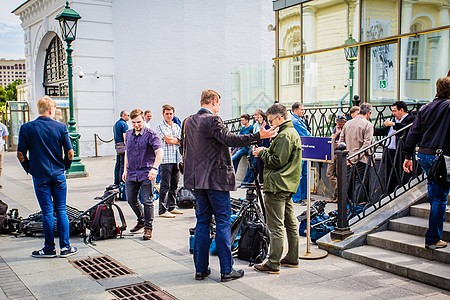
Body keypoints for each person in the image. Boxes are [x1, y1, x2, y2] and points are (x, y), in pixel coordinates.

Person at [182, 90, 278, 282]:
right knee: (223, 223)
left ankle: (200, 269)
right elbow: (230, 140)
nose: (219, 107)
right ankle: (227, 270)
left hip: (196, 180)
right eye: (219, 104)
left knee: (202, 223)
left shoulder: (188, 121)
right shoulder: (213, 120)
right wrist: (258, 135)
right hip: (216, 180)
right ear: (214, 102)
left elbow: (184, 148)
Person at [17, 96, 77, 258]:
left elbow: (21, 154)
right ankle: (65, 247)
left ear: (39, 109)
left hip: (40, 175)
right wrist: (65, 166)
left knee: (47, 212)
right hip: (58, 175)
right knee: (62, 210)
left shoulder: (27, 128)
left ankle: (49, 248)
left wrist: (29, 168)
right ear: (51, 110)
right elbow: (70, 153)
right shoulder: (61, 127)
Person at [252, 103, 301, 274]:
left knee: (276, 226)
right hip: (286, 184)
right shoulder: (290, 132)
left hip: (277, 185)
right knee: (290, 223)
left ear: (280, 117)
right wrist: (267, 150)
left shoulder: (284, 135)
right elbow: (282, 157)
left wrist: (261, 153)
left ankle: (273, 263)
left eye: (271, 120)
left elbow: (277, 161)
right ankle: (293, 258)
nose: (269, 124)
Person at [403, 77, 450, 250]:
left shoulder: (425, 108)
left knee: (435, 194)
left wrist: (408, 155)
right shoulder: (448, 107)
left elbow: (413, 133)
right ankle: (432, 238)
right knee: (439, 198)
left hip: (423, 154)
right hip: (440, 157)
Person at [123, 109, 163, 240]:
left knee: (147, 200)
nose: (136, 125)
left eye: (139, 122)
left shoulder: (151, 134)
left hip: (146, 172)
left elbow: (159, 152)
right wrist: (125, 170)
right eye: (133, 122)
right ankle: (141, 219)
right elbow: (127, 154)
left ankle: (148, 227)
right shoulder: (128, 134)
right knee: (130, 199)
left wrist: (154, 168)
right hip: (132, 172)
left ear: (143, 120)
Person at [374, 101, 414, 194]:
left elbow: (405, 129)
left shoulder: (410, 119)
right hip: (390, 150)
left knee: (401, 174)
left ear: (402, 110)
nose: (393, 113)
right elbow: (383, 131)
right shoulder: (394, 119)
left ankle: (401, 193)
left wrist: (393, 124)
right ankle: (390, 193)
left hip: (401, 152)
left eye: (395, 111)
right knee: (389, 174)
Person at [340, 103, 374, 204]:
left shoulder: (348, 123)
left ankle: (347, 207)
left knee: (349, 182)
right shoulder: (368, 124)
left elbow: (341, 141)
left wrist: (348, 158)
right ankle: (357, 208)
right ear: (369, 113)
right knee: (361, 183)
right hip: (361, 159)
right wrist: (355, 158)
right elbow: (367, 144)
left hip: (348, 159)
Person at [156, 105, 183, 218]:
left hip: (176, 159)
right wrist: (175, 140)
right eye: (167, 113)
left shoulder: (176, 126)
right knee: (165, 185)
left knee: (174, 185)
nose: (169, 115)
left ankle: (172, 207)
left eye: (171, 113)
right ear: (163, 114)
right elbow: (168, 140)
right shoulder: (160, 126)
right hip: (166, 159)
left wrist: (175, 140)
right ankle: (162, 210)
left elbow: (181, 141)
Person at [291, 102, 311, 204]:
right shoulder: (295, 121)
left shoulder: (299, 120)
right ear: (295, 110)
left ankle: (304, 196)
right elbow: (307, 134)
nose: (303, 111)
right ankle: (297, 198)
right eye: (301, 109)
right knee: (298, 174)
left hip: (304, 149)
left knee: (304, 173)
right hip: (298, 150)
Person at [326, 114, 347, 203]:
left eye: (340, 124)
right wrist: (337, 133)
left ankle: (337, 196)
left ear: (344, 122)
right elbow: (331, 140)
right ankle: (337, 194)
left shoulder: (346, 128)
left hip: (341, 154)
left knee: (339, 174)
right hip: (334, 153)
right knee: (329, 173)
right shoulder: (336, 129)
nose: (338, 125)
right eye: (337, 123)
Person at [231, 114, 254, 185]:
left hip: (246, 148)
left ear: (247, 121)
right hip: (240, 147)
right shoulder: (242, 128)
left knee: (232, 159)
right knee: (235, 161)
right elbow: (238, 138)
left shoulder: (251, 128)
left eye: (242, 120)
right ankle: (232, 179)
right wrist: (232, 148)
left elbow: (246, 139)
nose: (241, 122)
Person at [114, 110, 129, 186]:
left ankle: (116, 180)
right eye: (128, 115)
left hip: (117, 146)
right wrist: (127, 146)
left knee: (118, 164)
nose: (129, 117)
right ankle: (121, 181)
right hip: (122, 146)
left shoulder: (117, 123)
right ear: (124, 115)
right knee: (123, 164)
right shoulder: (124, 124)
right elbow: (125, 137)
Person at [255, 112, 271, 183]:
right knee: (259, 165)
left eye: (260, 117)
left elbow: (267, 140)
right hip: (259, 147)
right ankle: (261, 181)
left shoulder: (266, 127)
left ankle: (263, 181)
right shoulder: (259, 127)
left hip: (265, 147)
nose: (259, 119)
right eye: (258, 118)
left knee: (263, 166)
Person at [0, 116, 8, 189]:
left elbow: (5, 135)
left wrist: (3, 143)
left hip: (0, 147)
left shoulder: (2, 126)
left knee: (0, 165)